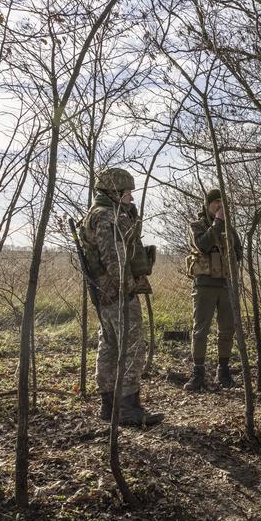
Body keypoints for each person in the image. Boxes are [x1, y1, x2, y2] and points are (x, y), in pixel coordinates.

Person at [80, 167, 163, 426]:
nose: (131, 196)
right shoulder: (107, 216)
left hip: (105, 292)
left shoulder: (101, 214)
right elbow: (115, 259)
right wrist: (127, 288)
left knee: (109, 346)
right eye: (127, 192)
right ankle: (128, 409)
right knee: (130, 349)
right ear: (113, 192)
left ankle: (109, 406)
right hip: (117, 292)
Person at [184, 188, 243, 391]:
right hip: (204, 286)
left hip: (226, 285)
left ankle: (223, 371)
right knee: (200, 331)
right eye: (215, 202)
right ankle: (198, 373)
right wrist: (217, 224)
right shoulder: (196, 226)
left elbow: (239, 252)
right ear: (207, 204)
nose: (219, 205)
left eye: (221, 202)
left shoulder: (230, 228)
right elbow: (202, 245)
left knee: (227, 330)